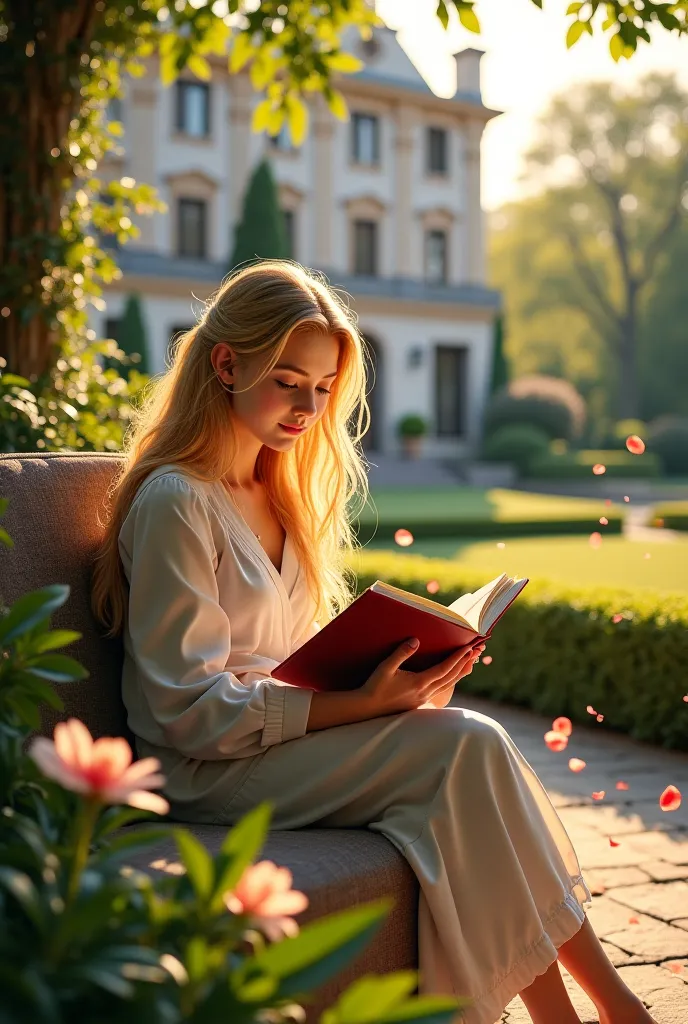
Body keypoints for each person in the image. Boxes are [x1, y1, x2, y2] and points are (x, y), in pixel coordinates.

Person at [91, 260, 656, 1024]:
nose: (307, 407)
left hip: (274, 745)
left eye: (322, 389)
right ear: (226, 363)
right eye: (289, 381)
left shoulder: (278, 492)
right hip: (203, 769)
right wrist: (355, 705)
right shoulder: (176, 503)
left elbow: (296, 664)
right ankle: (614, 1010)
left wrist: (409, 680)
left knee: (465, 756)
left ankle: (583, 1012)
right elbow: (180, 710)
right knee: (470, 751)